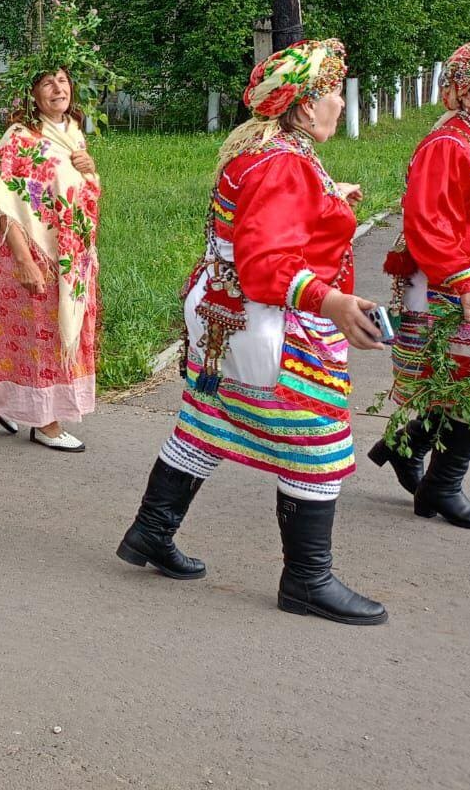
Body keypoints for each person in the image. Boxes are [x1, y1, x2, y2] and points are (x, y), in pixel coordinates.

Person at [116, 38, 390, 626]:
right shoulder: (284, 163)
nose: (339, 104)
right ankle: (307, 579)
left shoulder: (264, 152)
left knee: (206, 420)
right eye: (331, 94)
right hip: (279, 328)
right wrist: (332, 299)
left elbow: (263, 229)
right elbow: (267, 263)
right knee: (316, 443)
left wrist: (330, 199)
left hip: (226, 322)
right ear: (300, 105)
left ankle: (149, 532)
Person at [373, 39, 470, 530]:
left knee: (469, 380)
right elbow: (428, 223)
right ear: (466, 94)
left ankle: (406, 446)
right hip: (450, 280)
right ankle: (441, 487)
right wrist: (466, 282)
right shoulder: (448, 145)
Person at [0, 67, 101, 452]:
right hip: (33, 255)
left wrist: (91, 170)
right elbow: (4, 204)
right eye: (47, 83)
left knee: (54, 337)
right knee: (39, 339)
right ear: (32, 94)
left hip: (70, 259)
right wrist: (25, 259)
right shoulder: (21, 138)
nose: (58, 88)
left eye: (62, 81)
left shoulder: (74, 134)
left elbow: (80, 192)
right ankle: (46, 422)